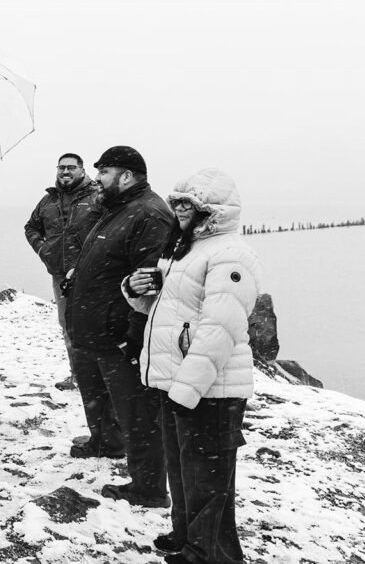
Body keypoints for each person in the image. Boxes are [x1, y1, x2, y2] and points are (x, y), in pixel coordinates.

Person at [124, 168, 261, 564]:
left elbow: (221, 329)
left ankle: (211, 553)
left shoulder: (231, 253)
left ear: (212, 210)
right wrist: (134, 291)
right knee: (185, 470)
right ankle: (187, 536)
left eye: (190, 204)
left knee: (208, 479)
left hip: (211, 389)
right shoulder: (188, 248)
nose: (180, 210)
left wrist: (188, 388)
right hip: (179, 382)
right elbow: (167, 311)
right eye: (177, 203)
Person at [66, 145, 172, 507]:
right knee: (97, 396)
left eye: (104, 173)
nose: (97, 179)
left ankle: (149, 487)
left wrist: (132, 337)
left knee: (137, 413)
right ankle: (105, 441)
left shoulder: (149, 214)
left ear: (126, 176)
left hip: (118, 336)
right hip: (93, 329)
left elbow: (150, 281)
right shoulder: (116, 208)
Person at [24, 152, 102, 390]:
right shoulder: (48, 200)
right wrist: (44, 250)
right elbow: (31, 227)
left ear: (82, 170)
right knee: (68, 326)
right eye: (61, 168)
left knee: (98, 326)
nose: (65, 172)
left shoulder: (98, 196)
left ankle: (101, 377)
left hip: (94, 275)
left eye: (71, 167)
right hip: (61, 276)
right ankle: (78, 375)